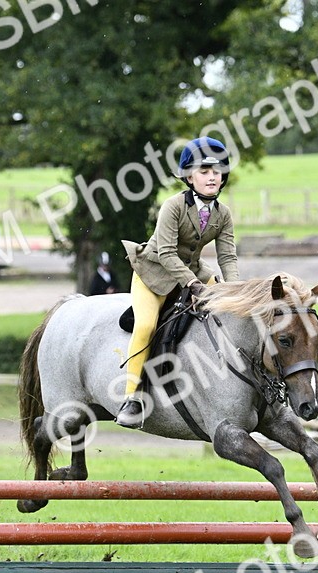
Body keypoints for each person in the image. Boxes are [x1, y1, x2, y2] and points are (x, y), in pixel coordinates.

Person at [117, 136, 239, 428]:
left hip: (194, 271)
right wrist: (193, 285)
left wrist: (235, 291)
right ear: (188, 176)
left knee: (226, 313)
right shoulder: (172, 206)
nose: (212, 177)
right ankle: (132, 397)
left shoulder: (223, 214)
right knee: (146, 325)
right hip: (155, 273)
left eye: (216, 171)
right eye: (204, 171)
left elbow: (228, 258)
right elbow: (166, 253)